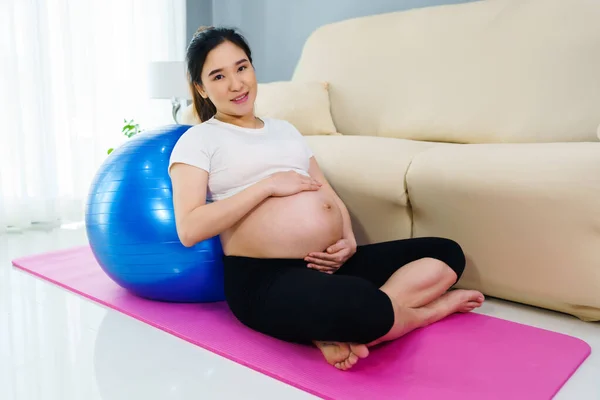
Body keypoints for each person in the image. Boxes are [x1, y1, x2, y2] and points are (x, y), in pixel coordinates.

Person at [168, 26, 485, 371]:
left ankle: (354, 325)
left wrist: (347, 238)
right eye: (218, 76)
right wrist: (267, 185)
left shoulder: (285, 130)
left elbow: (324, 188)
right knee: (361, 304)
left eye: (241, 67)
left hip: (329, 264)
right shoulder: (199, 140)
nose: (236, 84)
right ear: (201, 87)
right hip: (263, 277)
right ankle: (419, 315)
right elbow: (189, 228)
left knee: (446, 253)